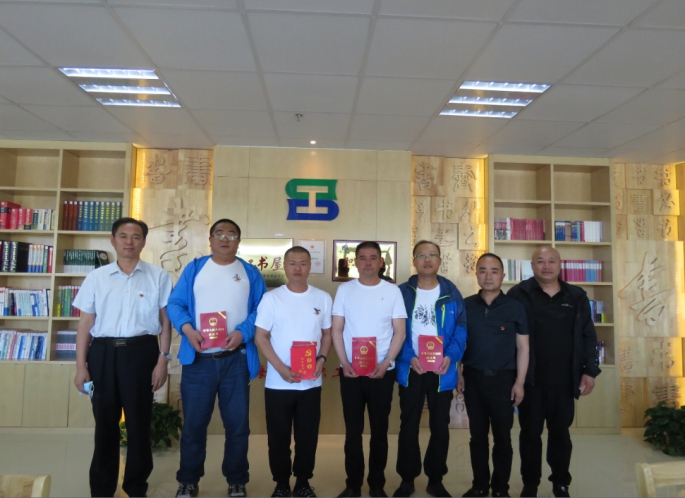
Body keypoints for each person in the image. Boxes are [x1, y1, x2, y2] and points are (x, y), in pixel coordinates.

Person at [73, 217, 173, 497]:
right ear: (113, 240)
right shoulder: (97, 278)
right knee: (105, 424)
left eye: (136, 236)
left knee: (139, 423)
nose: (129, 241)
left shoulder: (158, 276)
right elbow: (85, 324)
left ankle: (136, 487)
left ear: (144, 241)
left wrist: (163, 360)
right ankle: (102, 489)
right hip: (103, 353)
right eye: (123, 236)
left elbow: (166, 323)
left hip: (142, 353)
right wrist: (81, 366)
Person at [167, 218, 267, 498]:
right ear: (210, 239)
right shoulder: (195, 268)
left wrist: (243, 332)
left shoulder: (249, 272)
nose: (225, 238)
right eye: (219, 234)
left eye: (231, 235)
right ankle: (188, 480)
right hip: (198, 362)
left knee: (237, 427)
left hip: (236, 360)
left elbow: (262, 309)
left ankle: (237, 480)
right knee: (194, 426)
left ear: (238, 241)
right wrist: (188, 330)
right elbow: (175, 303)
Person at [507, 245, 601, 498]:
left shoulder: (576, 295)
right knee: (530, 434)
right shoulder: (518, 294)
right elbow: (508, 337)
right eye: (540, 261)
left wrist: (590, 371)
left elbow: (588, 336)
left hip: (565, 380)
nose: (546, 266)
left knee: (560, 434)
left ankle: (561, 483)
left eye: (551, 261)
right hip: (530, 380)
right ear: (532, 266)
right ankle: (530, 484)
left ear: (560, 265)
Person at [254, 246, 333, 498]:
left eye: (303, 263)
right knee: (278, 437)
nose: (297, 268)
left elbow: (327, 334)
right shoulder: (272, 298)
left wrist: (322, 358)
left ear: (310, 266)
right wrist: (280, 368)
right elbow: (260, 337)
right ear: (285, 266)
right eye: (292, 263)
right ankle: (281, 483)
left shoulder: (322, 298)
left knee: (307, 436)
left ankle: (303, 482)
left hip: (310, 383)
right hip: (278, 383)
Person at [332, 241, 407, 498]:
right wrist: (344, 363)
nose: (367, 262)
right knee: (353, 432)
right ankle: (353, 485)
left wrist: (387, 362)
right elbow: (337, 330)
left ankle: (377, 485)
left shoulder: (393, 291)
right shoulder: (345, 290)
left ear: (381, 262)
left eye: (373, 258)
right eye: (362, 258)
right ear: (355, 262)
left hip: (382, 372)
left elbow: (400, 332)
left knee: (379, 431)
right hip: (351, 372)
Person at [394, 240, 468, 498]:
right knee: (408, 425)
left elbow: (461, 328)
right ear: (414, 260)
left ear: (440, 260)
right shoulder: (402, 292)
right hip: (411, 369)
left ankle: (435, 479)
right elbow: (393, 329)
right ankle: (407, 479)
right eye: (421, 255)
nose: (427, 260)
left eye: (432, 255)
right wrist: (407, 356)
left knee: (440, 425)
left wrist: (451, 356)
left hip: (442, 371)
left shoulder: (451, 292)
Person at [458, 253, 529, 498]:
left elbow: (523, 347)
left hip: (504, 381)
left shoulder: (515, 307)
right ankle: (479, 486)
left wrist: (520, 382)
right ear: (476, 274)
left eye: (494, 271)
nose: (488, 276)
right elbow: (458, 343)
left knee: (502, 438)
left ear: (503, 275)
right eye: (483, 270)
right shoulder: (465, 305)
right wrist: (458, 372)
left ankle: (500, 488)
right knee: (477, 436)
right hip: (473, 379)